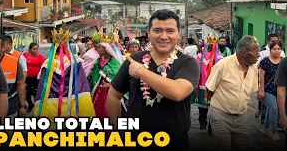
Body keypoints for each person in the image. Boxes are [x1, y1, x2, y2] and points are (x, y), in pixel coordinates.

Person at [107, 9, 200, 149]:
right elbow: (113, 96)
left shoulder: (187, 63)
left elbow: (178, 92)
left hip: (174, 142)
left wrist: (141, 72)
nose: (163, 36)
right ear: (149, 33)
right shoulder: (134, 60)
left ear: (178, 35)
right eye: (158, 30)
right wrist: (116, 131)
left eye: (170, 31)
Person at [206, 35, 260, 151]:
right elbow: (209, 88)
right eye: (256, 51)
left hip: (241, 117)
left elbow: (251, 89)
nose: (259, 54)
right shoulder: (223, 65)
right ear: (245, 52)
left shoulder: (254, 68)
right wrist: (215, 108)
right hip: (220, 116)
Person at [33, 28, 95, 125]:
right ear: (67, 46)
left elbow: (42, 86)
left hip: (52, 105)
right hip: (73, 105)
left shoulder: (47, 63)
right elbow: (82, 83)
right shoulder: (75, 61)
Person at [191, 34, 223, 134]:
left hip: (205, 86)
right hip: (209, 86)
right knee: (212, 109)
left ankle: (204, 125)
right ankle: (208, 126)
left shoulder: (202, 57)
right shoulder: (220, 58)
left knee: (203, 109)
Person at [89, 32, 124, 118]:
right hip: (98, 91)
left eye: (99, 47)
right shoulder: (97, 61)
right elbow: (94, 78)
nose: (97, 50)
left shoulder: (115, 63)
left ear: (106, 48)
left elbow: (121, 80)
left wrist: (110, 86)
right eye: (96, 47)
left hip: (111, 92)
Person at [0, 34, 27, 118]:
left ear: (3, 48)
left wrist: (22, 106)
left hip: (10, 108)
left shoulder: (14, 62)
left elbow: (20, 84)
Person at [258, 42, 283, 141]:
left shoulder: (283, 61)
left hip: (279, 90)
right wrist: (261, 90)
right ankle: (274, 131)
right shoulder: (265, 61)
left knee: (271, 109)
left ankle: (265, 128)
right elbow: (262, 77)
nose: (277, 51)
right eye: (274, 49)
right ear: (270, 50)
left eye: (278, 49)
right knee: (273, 109)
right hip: (268, 90)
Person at [23, 43, 45, 113]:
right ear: (30, 49)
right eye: (34, 49)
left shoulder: (40, 57)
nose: (35, 51)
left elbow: (43, 67)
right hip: (27, 78)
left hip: (36, 78)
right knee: (26, 92)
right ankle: (30, 104)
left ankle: (37, 107)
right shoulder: (24, 55)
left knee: (37, 93)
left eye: (37, 49)